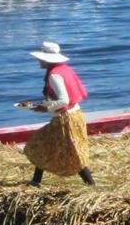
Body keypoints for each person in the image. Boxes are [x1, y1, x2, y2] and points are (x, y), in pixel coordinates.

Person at [18, 41, 94, 186]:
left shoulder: (54, 75)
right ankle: (36, 181)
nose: (38, 60)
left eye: (40, 58)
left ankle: (91, 184)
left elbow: (63, 100)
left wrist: (45, 108)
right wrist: (45, 104)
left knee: (71, 152)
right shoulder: (64, 69)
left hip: (66, 119)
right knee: (43, 144)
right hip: (74, 114)